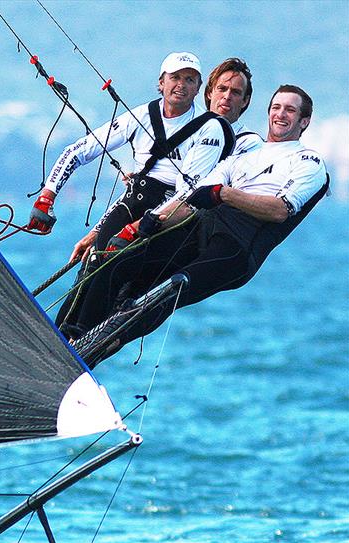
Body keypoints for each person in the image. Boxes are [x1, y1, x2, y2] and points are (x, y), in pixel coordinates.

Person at [72, 85, 328, 358]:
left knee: (167, 291)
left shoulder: (308, 161)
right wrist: (143, 225)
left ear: (304, 121)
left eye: (290, 110)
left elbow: (279, 210)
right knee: (122, 261)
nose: (280, 114)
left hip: (237, 247)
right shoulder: (243, 158)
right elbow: (192, 199)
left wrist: (225, 194)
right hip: (203, 226)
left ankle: (93, 349)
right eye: (276, 108)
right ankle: (74, 335)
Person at [34, 53, 238, 335]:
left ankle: (80, 335)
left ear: (198, 87)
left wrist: (140, 225)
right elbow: (79, 150)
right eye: (175, 77)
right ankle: (57, 335)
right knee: (95, 263)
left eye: (189, 80)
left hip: (170, 214)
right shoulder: (140, 115)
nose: (181, 85)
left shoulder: (211, 128)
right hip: (135, 200)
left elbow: (189, 189)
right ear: (161, 82)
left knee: (115, 268)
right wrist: (47, 196)